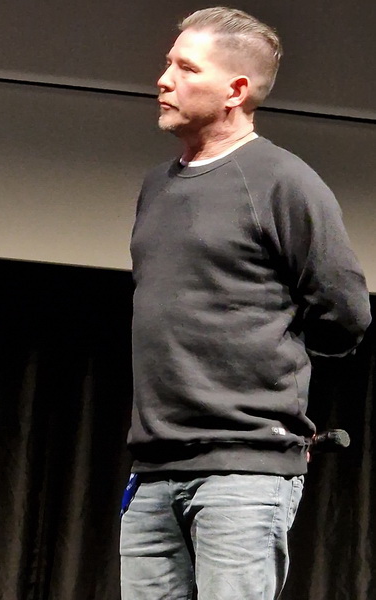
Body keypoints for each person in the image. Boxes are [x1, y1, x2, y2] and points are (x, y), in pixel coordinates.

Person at [120, 6, 371, 600]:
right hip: (154, 471)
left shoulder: (282, 181)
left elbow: (344, 313)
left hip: (244, 471)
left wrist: (265, 361)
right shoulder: (158, 185)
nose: (164, 79)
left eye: (186, 68)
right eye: (168, 64)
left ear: (235, 90)